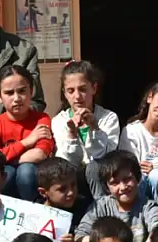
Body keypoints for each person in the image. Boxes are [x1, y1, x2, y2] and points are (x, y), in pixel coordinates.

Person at [74, 150, 158, 242]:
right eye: (115, 183)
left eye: (127, 179)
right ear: (107, 187)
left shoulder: (147, 206)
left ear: (138, 178)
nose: (123, 187)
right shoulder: (101, 206)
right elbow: (80, 235)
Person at [0, 64, 55, 201]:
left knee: (26, 171)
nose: (17, 98)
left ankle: (34, 212)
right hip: (6, 183)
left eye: (22, 91)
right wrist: (28, 141)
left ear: (31, 91)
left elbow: (40, 153)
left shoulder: (42, 119)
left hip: (34, 180)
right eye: (9, 93)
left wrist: (7, 158)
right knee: (6, 173)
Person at [50, 60, 120, 199]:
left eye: (83, 89)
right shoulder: (59, 120)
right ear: (65, 93)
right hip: (72, 178)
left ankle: (102, 210)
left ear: (94, 88)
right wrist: (72, 134)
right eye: (71, 91)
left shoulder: (108, 118)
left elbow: (105, 157)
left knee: (93, 167)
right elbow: (67, 161)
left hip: (101, 177)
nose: (77, 96)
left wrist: (94, 127)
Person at [36, 157, 90, 242]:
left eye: (73, 185)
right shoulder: (34, 212)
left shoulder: (84, 206)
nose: (71, 192)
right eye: (62, 189)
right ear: (44, 192)